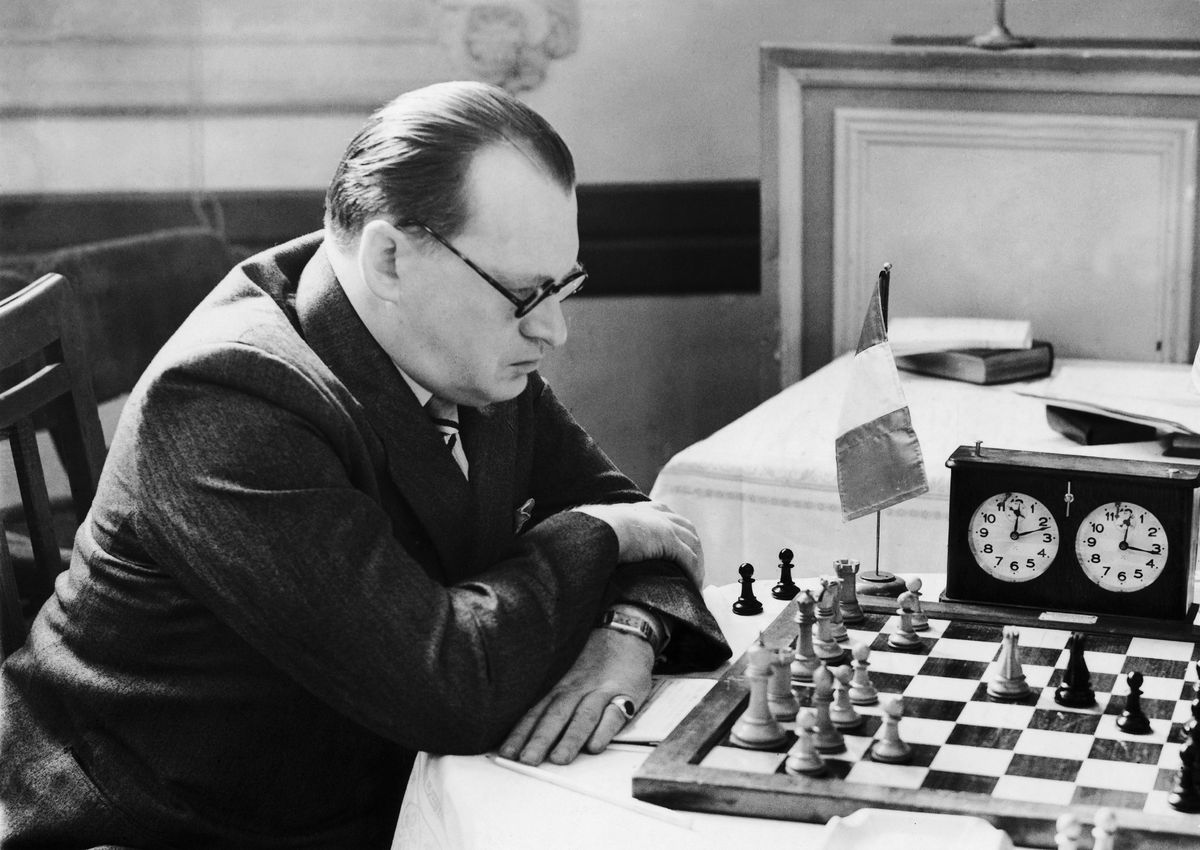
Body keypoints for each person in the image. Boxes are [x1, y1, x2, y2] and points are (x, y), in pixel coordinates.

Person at [0, 81, 731, 848]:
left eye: (563, 286)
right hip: (165, 825)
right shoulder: (229, 397)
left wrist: (625, 632)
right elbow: (448, 689)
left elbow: (638, 516)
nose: (554, 330)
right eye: (525, 293)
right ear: (388, 258)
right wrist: (597, 535)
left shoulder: (451, 344)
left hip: (360, 775)